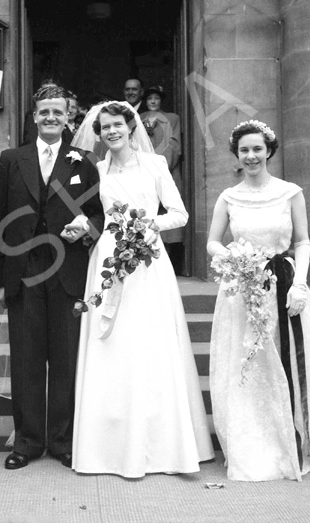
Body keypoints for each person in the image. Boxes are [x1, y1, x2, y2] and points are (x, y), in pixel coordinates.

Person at [206, 119, 310, 482]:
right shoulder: (228, 197)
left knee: (289, 359)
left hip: (285, 284)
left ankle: (297, 440)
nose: (251, 155)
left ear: (269, 151)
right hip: (244, 288)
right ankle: (254, 445)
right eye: (244, 150)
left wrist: (300, 285)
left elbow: (303, 241)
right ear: (236, 155)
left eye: (257, 148)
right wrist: (235, 260)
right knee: (250, 364)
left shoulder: (290, 192)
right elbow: (213, 241)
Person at [71, 101, 214, 478]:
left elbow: (179, 214)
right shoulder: (96, 170)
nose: (111, 132)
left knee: (150, 343)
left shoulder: (156, 165)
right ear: (98, 134)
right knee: (112, 344)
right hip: (107, 259)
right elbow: (93, 217)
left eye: (118, 124)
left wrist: (143, 225)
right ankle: (107, 446)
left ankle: (161, 444)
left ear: (131, 127)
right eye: (104, 128)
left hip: (147, 261)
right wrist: (83, 227)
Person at [0, 84, 104, 470]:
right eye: (44, 112)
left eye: (59, 112)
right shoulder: (11, 159)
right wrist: (0, 280)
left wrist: (86, 226)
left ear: (68, 117)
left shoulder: (82, 162)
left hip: (68, 272)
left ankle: (62, 440)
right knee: (26, 359)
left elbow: (99, 213)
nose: (51, 118)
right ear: (34, 117)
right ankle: (27, 441)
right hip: (23, 272)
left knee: (65, 358)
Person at [140, 84, 184, 272]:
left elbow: (175, 144)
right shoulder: (138, 119)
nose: (152, 101)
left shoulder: (172, 119)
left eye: (156, 98)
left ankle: (169, 262)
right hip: (141, 171)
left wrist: (159, 166)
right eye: (149, 98)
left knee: (167, 212)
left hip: (167, 170)